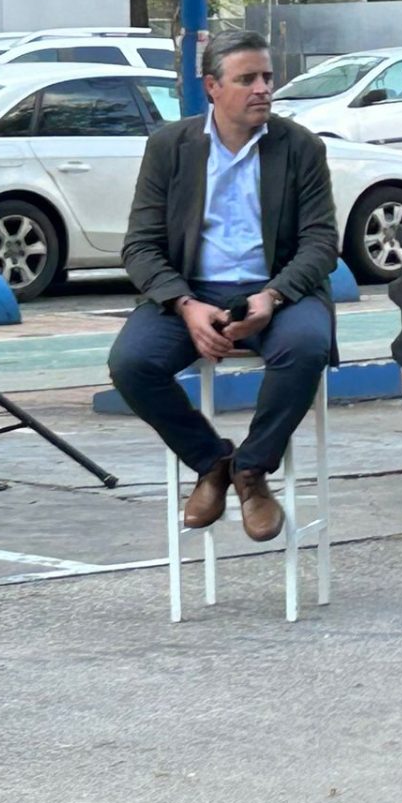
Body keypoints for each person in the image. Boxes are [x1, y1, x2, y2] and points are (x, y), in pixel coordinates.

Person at [109, 30, 338, 542]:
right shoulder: (170, 147)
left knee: (306, 347)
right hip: (191, 290)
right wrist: (185, 305)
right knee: (131, 363)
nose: (262, 89)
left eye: (267, 77)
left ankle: (252, 471)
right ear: (212, 86)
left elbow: (321, 244)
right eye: (247, 79)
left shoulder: (300, 147)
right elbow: (140, 246)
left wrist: (272, 296)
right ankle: (213, 462)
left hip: (277, 291)